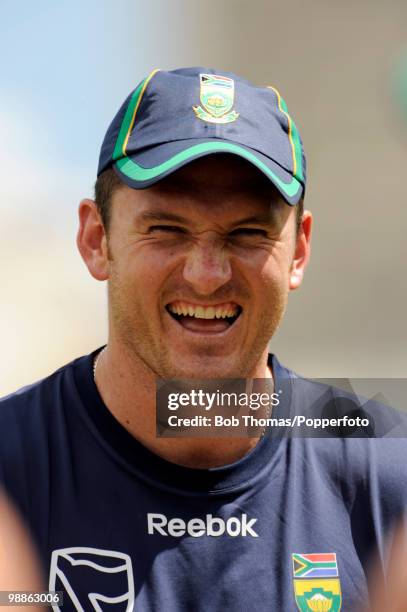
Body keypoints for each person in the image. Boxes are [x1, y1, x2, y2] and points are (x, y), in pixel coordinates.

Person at [1, 66, 407, 611]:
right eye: (166, 229)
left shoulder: (387, 470)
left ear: (299, 250)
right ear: (97, 239)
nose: (208, 274)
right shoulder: (11, 471)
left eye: (247, 233)